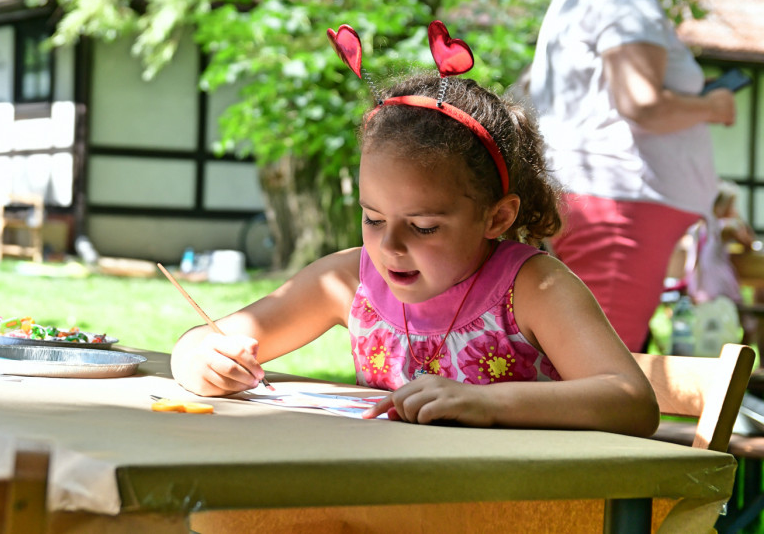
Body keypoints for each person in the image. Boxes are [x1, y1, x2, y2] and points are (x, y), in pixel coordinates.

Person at [171, 71, 659, 436]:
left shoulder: (532, 287)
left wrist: (486, 404)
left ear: (497, 218)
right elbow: (207, 336)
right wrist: (199, 358)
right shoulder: (350, 281)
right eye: (373, 219)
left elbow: (632, 403)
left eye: (424, 227)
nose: (390, 246)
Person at [525, 0, 737, 352]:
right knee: (601, 374)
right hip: (622, 206)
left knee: (584, 362)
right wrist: (710, 106)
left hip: (596, 199)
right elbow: (642, 103)